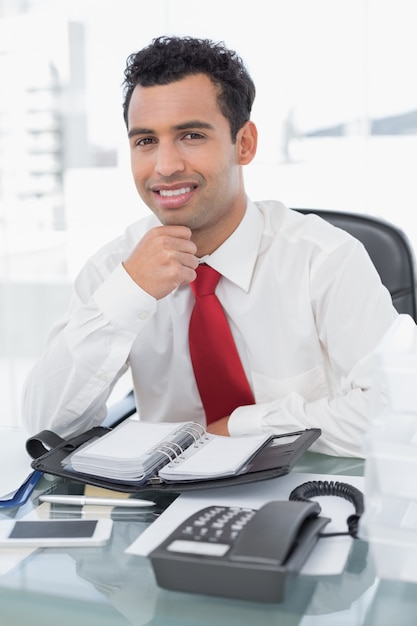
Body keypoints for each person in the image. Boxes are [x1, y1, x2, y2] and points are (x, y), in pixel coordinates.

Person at [22, 35, 397, 457]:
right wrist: (129, 295)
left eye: (191, 135)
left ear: (245, 144)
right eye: (145, 141)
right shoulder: (114, 270)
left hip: (305, 496)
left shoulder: (324, 259)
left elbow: (401, 410)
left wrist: (240, 428)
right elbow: (44, 427)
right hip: (164, 505)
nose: (164, 167)